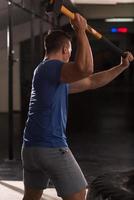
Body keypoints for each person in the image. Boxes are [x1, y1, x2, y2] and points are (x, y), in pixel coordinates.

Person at [21, 13, 134, 200]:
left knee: (31, 197)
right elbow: (86, 69)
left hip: (32, 149)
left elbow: (90, 81)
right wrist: (81, 31)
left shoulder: (49, 74)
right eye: (71, 51)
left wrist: (120, 67)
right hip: (51, 147)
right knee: (79, 193)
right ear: (66, 49)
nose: (71, 55)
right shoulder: (51, 67)